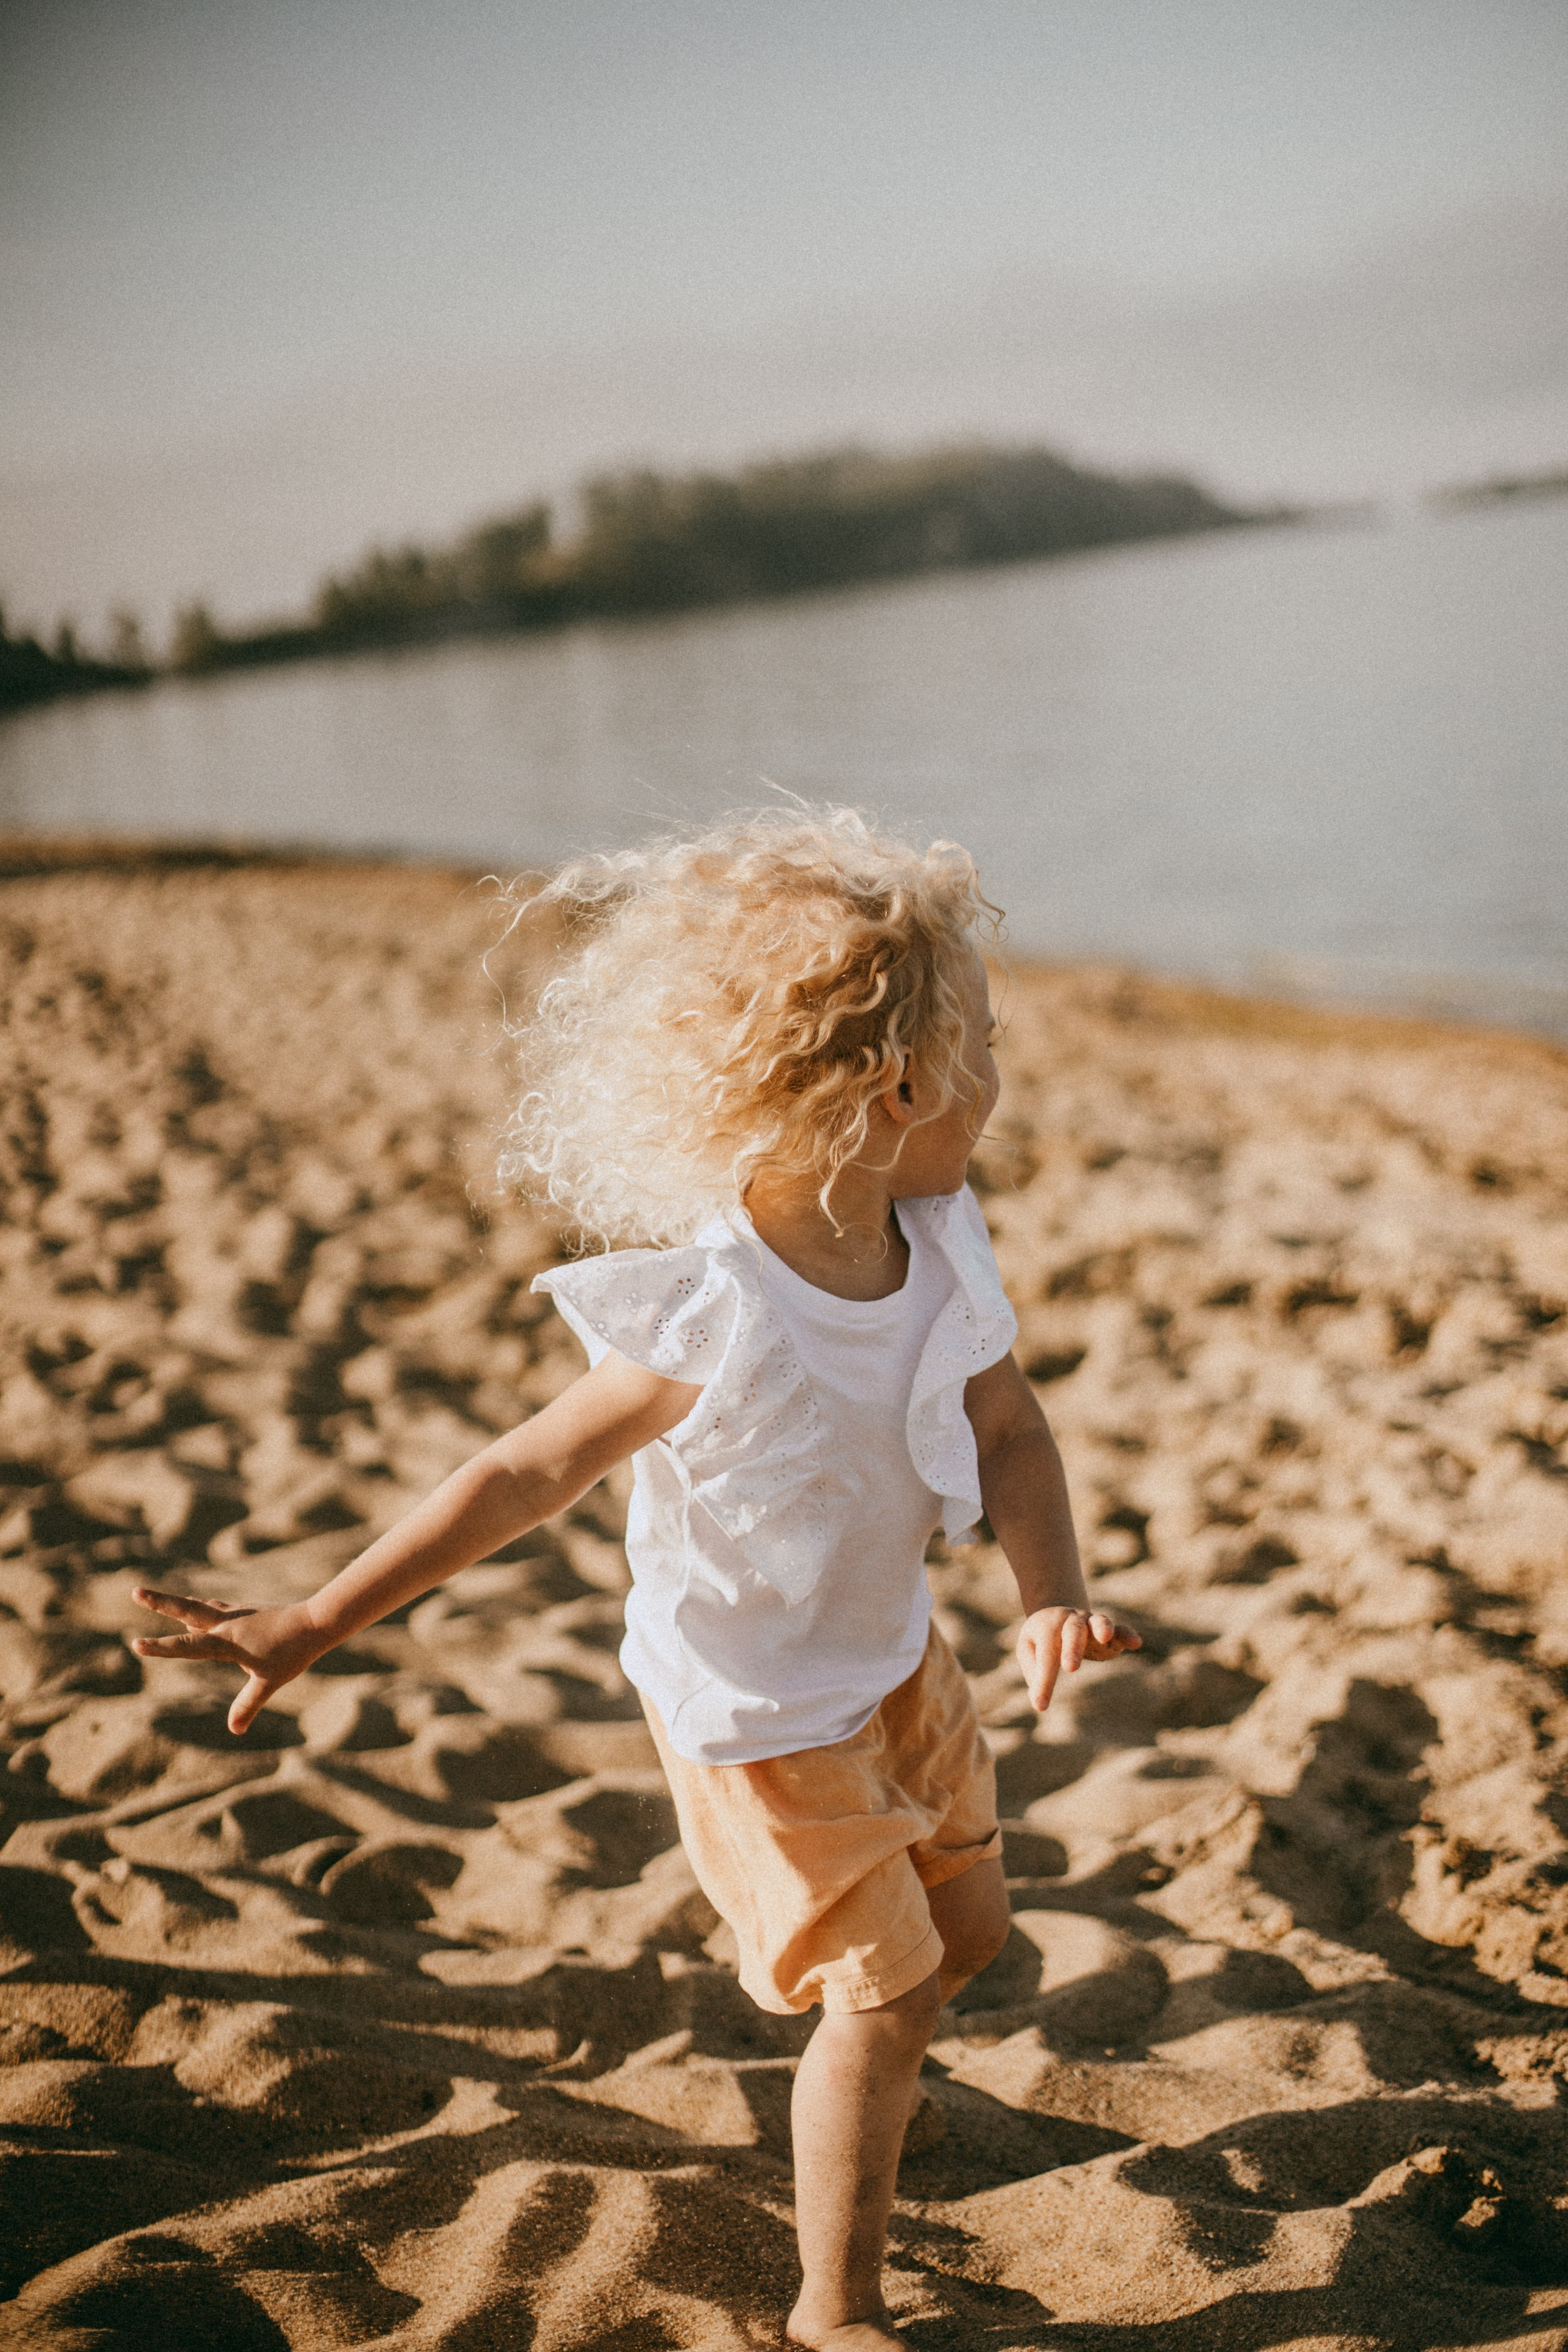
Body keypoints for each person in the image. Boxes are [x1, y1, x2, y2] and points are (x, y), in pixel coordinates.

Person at [128, 806, 1141, 2351]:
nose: (999, 1080)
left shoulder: (942, 1238)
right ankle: (833, 2306)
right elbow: (522, 1474)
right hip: (760, 1713)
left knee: (972, 1935)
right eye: (983, 1049)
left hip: (895, 1657)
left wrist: (1048, 1593)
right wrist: (322, 1616)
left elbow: (1008, 1427)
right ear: (900, 1084)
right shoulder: (711, 1308)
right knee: (882, 1996)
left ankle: (869, 2099)